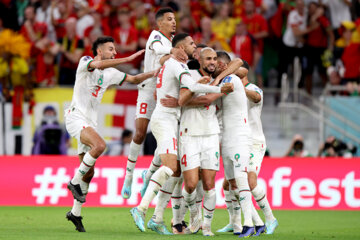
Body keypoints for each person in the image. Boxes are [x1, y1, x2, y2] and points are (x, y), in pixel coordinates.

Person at [129, 33, 234, 234]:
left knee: (175, 172)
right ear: (180, 49)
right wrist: (218, 87)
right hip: (171, 122)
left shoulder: (179, 66)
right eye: (191, 45)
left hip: (177, 122)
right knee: (173, 170)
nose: (194, 47)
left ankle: (159, 216)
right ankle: (145, 207)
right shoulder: (177, 65)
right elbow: (191, 88)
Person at [65, 36, 155, 232]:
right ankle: (73, 182)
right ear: (99, 51)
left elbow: (133, 79)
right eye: (111, 49)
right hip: (75, 117)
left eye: (115, 50)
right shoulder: (85, 62)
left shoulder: (111, 74)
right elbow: (98, 64)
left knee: (89, 172)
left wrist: (155, 72)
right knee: (100, 146)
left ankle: (75, 213)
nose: (115, 52)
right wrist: (126, 59)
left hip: (90, 123)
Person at [121, 7, 187, 200]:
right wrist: (174, 51)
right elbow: (159, 51)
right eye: (169, 19)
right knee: (140, 132)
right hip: (148, 89)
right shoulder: (155, 37)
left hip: (164, 91)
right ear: (160, 23)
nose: (173, 22)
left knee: (164, 138)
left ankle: (148, 174)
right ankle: (129, 176)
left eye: (174, 19)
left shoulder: (173, 43)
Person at [218, 61, 277, 235]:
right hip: (236, 140)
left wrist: (238, 89)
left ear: (245, 71)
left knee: (249, 182)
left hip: (254, 142)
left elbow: (256, 98)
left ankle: (270, 218)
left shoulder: (254, 89)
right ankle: (234, 222)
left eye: (238, 66)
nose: (234, 68)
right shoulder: (228, 89)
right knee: (228, 184)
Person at [177, 47, 223, 236]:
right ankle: (194, 213)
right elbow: (183, 100)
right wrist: (212, 96)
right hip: (189, 134)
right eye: (208, 59)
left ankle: (206, 226)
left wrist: (218, 82)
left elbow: (240, 65)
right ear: (200, 60)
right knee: (190, 184)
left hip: (211, 135)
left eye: (214, 58)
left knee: (209, 184)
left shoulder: (221, 78)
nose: (212, 62)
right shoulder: (189, 75)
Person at [215, 51, 255, 238]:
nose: (213, 66)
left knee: (240, 179)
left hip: (239, 137)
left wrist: (215, 80)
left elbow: (238, 62)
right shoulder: (222, 80)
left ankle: (249, 224)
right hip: (227, 138)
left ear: (223, 65)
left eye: (216, 63)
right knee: (231, 183)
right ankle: (238, 225)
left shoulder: (231, 79)